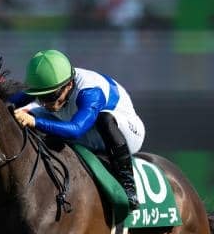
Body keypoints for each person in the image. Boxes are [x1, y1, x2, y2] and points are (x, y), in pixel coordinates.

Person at [12, 49, 145, 209]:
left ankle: (128, 187)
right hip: (80, 127)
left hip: (123, 133)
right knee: (22, 115)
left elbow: (76, 130)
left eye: (51, 97)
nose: (45, 103)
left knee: (105, 119)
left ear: (69, 85)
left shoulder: (90, 91)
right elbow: (7, 102)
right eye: (41, 97)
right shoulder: (51, 85)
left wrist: (35, 121)